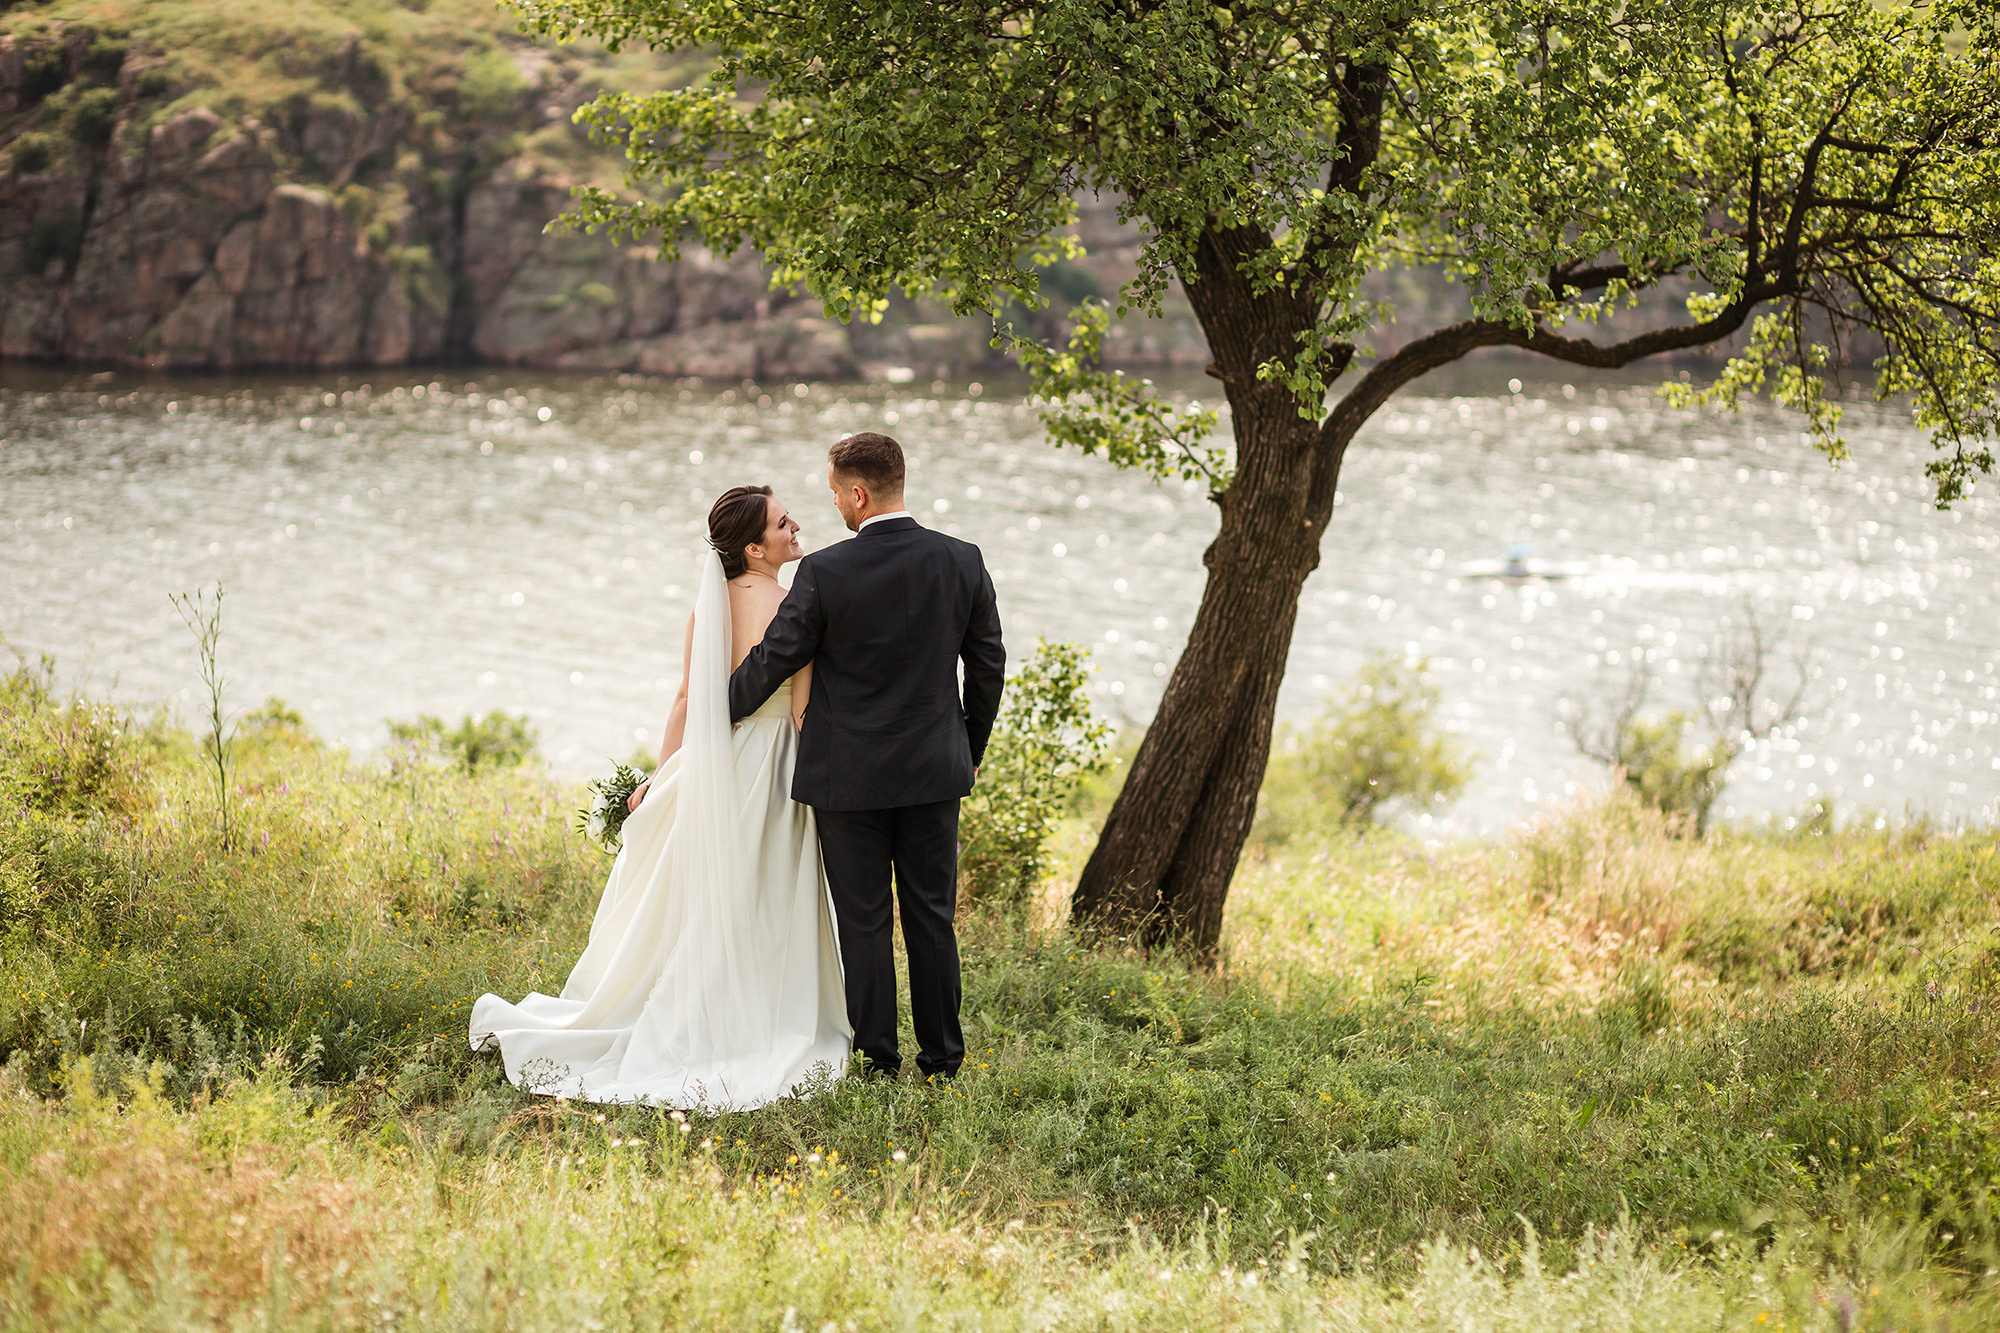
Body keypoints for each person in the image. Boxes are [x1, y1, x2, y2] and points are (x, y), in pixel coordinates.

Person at [467, 486, 850, 1110]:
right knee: (766, 893)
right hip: (776, 764)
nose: (795, 526)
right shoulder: (794, 604)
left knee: (702, 896)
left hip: (713, 759)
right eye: (783, 523)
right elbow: (803, 709)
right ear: (755, 548)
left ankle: (688, 1006)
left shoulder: (711, 606)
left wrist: (664, 776)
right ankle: (759, 1014)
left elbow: (686, 698)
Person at [729, 432, 1006, 1083]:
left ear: (858, 492)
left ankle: (879, 1062)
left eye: (834, 494)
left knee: (865, 922)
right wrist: (970, 747)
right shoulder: (962, 559)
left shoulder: (824, 571)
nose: (834, 507)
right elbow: (987, 665)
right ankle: (941, 1062)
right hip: (936, 770)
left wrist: (720, 708)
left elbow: (777, 659)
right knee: (932, 917)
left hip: (845, 777)